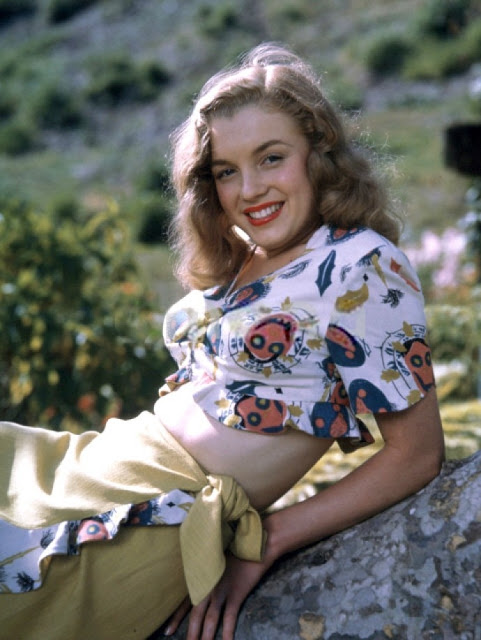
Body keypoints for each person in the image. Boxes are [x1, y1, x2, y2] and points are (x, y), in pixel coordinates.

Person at [0, 43, 445, 640]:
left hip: (148, 513)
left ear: (318, 153)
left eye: (271, 158)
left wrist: (270, 537)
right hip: (101, 460)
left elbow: (417, 454)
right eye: (226, 170)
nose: (249, 189)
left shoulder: (360, 264)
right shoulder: (246, 258)